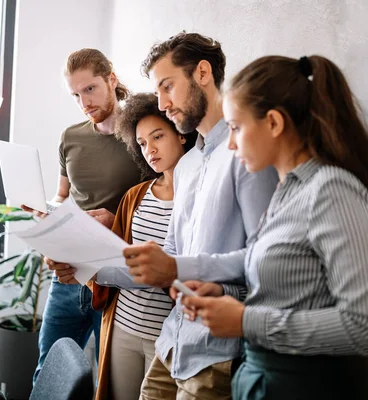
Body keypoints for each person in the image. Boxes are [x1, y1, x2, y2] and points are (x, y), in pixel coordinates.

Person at [177, 55, 368, 399]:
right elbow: (267, 264)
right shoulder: (287, 190)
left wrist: (246, 321)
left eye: (236, 127)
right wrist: (218, 292)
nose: (231, 144)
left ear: (275, 123)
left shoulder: (331, 192)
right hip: (263, 378)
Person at [118, 32, 279, 399]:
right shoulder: (187, 165)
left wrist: (188, 274)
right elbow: (174, 252)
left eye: (167, 87)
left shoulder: (246, 155)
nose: (162, 103)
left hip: (216, 353)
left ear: (202, 73)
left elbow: (266, 257)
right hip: (172, 341)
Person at [66, 92, 195, 400]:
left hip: (166, 335)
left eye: (158, 136)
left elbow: (175, 270)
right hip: (122, 327)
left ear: (182, 135)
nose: (150, 149)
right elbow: (121, 257)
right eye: (141, 143)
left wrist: (92, 269)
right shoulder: (135, 195)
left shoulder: (196, 199)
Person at [28, 48, 143, 384]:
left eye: (90, 89)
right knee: (47, 373)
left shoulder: (141, 138)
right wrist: (44, 212)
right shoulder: (71, 137)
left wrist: (117, 220)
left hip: (114, 280)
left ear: (112, 80)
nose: (84, 103)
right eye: (75, 95)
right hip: (67, 275)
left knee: (104, 382)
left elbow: (158, 206)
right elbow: (63, 196)